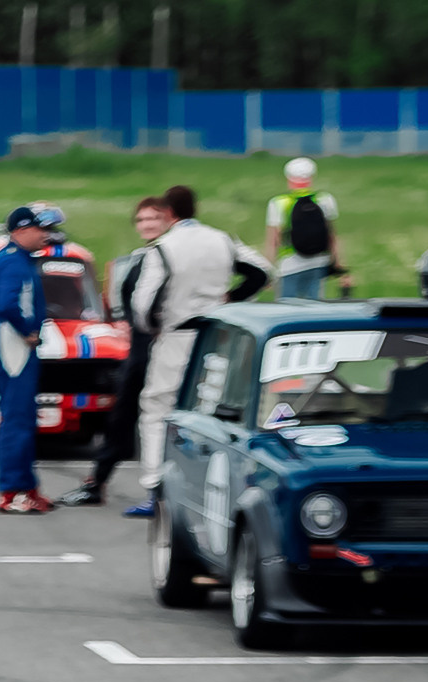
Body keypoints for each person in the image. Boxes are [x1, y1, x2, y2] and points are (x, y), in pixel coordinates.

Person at [123, 184, 271, 516]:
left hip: (177, 334)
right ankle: (212, 490)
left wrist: (151, 327)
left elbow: (143, 302)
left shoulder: (163, 248)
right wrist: (231, 299)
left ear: (167, 212)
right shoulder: (222, 239)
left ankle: (156, 489)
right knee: (212, 413)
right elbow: (261, 272)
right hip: (218, 337)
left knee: (158, 408)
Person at [59, 196, 171, 506]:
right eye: (142, 219)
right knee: (121, 416)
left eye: (154, 218)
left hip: (168, 349)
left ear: (168, 220)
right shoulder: (140, 258)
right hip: (139, 349)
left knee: (158, 419)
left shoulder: (172, 256)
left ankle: (159, 493)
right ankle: (97, 482)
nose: (147, 225)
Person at [0, 204, 63, 515]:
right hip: (13, 349)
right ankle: (11, 490)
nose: (46, 236)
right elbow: (5, 304)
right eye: (41, 229)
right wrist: (27, 331)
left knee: (25, 419)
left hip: (14, 347)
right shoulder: (12, 262)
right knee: (17, 421)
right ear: (22, 230)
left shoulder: (17, 259)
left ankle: (26, 486)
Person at [263, 157, 348, 300]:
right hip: (319, 262)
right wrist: (339, 265)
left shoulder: (278, 203)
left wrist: (267, 272)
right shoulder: (324, 200)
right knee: (314, 307)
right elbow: (332, 236)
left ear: (288, 178)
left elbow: (273, 241)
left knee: (287, 308)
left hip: (289, 265)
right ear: (311, 177)